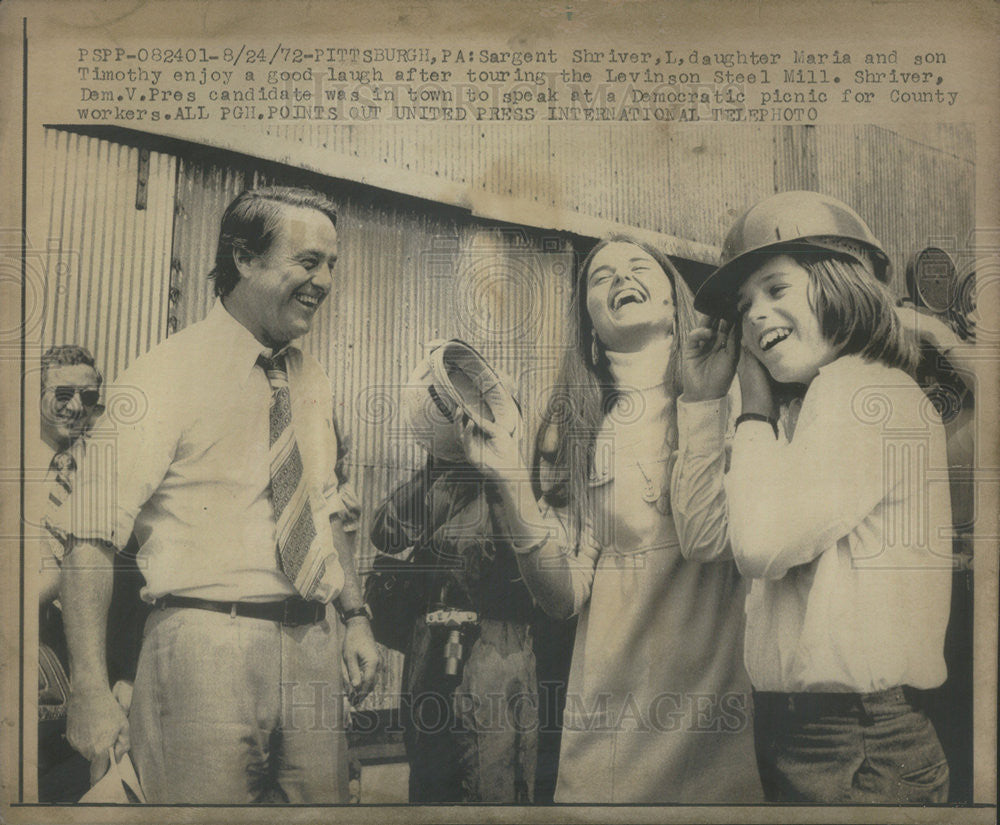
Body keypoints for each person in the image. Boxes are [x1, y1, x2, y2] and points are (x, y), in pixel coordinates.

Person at [55, 186, 379, 803]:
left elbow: (325, 510)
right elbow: (88, 538)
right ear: (244, 258)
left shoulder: (311, 380)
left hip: (315, 643)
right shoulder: (160, 374)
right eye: (308, 261)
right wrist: (90, 690)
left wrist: (356, 617)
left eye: (332, 265)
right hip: (204, 647)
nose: (325, 281)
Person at [452, 236, 763, 803]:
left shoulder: (739, 391)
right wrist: (511, 484)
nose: (622, 277)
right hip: (613, 735)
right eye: (602, 278)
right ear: (590, 328)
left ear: (674, 302)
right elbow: (563, 595)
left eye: (640, 267)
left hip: (720, 731)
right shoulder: (580, 427)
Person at [691, 190, 953, 803]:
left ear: (840, 285)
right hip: (814, 733)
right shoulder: (813, 409)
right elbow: (707, 536)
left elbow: (758, 545)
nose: (755, 315)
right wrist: (704, 400)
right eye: (744, 305)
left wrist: (750, 410)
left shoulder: (863, 393)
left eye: (777, 289)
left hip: (856, 743)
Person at [369, 341, 538, 803]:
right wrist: (436, 461)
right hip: (430, 648)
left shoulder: (518, 482)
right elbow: (383, 534)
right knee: (429, 777)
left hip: (493, 653)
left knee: (489, 778)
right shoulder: (434, 479)